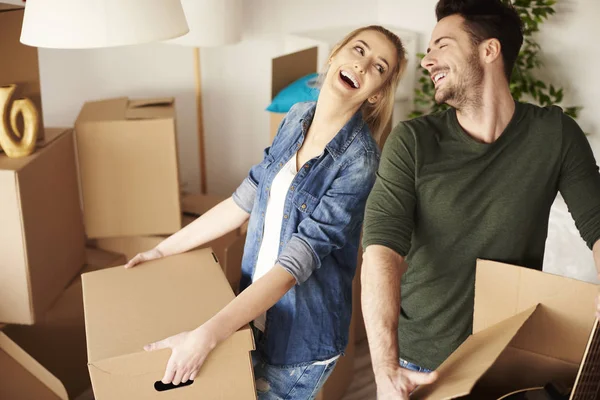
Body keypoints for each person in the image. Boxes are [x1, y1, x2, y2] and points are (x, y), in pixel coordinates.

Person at [125, 25, 406, 399]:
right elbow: (242, 201)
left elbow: (294, 264)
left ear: (376, 95)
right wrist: (162, 250)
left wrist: (208, 334)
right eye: (359, 50)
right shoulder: (296, 117)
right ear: (336, 54)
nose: (363, 64)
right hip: (253, 318)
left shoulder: (360, 162)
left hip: (300, 342)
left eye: (379, 67)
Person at [360, 0, 600, 398]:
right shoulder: (414, 141)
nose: (427, 61)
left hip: (509, 358)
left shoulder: (555, 135)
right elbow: (381, 248)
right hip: (423, 367)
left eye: (441, 45)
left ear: (489, 50)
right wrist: (385, 370)